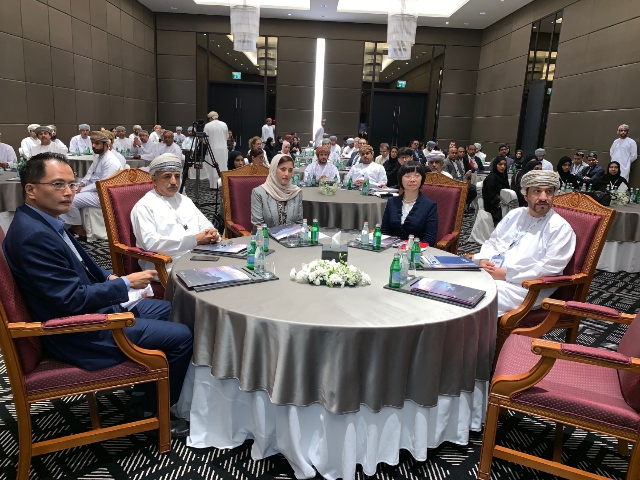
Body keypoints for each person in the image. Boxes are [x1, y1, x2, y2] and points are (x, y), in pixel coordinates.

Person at [5, 153, 193, 435]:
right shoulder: (34, 236)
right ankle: (154, 412)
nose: (69, 192)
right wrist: (124, 283)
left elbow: (82, 267)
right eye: (58, 184)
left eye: (72, 184)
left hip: (94, 310)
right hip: (78, 331)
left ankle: (147, 387)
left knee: (180, 311)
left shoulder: (42, 221)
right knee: (182, 336)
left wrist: (109, 277)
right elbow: (70, 300)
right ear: (30, 189)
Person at [473, 169, 576, 317]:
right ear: (526, 195)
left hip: (525, 288)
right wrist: (483, 259)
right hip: (493, 274)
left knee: (477, 298)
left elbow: (549, 268)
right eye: (537, 191)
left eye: (549, 192)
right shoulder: (515, 214)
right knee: (457, 286)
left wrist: (506, 275)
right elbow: (493, 242)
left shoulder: (560, 228)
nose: (543, 197)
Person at [131, 154, 220, 273]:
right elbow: (151, 243)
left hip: (200, 256)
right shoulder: (144, 206)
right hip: (167, 264)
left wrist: (211, 233)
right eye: (167, 176)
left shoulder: (185, 200)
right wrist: (195, 240)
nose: (174, 182)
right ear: (154, 180)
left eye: (177, 176)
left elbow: (204, 223)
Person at [59, 131, 122, 237]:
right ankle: (67, 226)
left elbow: (102, 183)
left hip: (104, 195)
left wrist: (82, 190)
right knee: (65, 191)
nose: (93, 146)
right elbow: (89, 174)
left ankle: (78, 229)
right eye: (92, 143)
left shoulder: (111, 161)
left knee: (71, 199)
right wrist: (80, 185)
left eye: (97, 143)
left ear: (106, 144)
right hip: (93, 190)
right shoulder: (98, 156)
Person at [381, 161, 438, 245]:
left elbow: (429, 239)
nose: (412, 180)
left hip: (417, 250)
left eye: (417, 176)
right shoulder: (391, 202)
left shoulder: (429, 206)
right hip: (391, 249)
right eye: (407, 176)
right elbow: (384, 232)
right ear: (400, 179)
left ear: (422, 179)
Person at [251, 154, 303, 230]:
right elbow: (258, 225)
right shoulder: (259, 193)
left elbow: (299, 223)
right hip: (265, 236)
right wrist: (278, 235)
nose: (287, 174)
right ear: (273, 170)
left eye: (290, 170)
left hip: (292, 237)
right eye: (283, 169)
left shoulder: (296, 192)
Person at [483, 156, 511, 227]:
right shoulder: (491, 178)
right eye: (500, 164)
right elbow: (489, 197)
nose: (503, 167)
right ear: (495, 165)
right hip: (493, 206)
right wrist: (501, 199)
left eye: (504, 164)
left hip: (503, 203)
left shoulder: (503, 176)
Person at [203, 111, 228, 189]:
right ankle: (223, 184)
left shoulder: (207, 126)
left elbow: (205, 140)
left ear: (210, 118)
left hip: (212, 149)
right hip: (223, 149)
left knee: (213, 167)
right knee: (223, 166)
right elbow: (227, 137)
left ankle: (214, 185)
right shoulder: (224, 124)